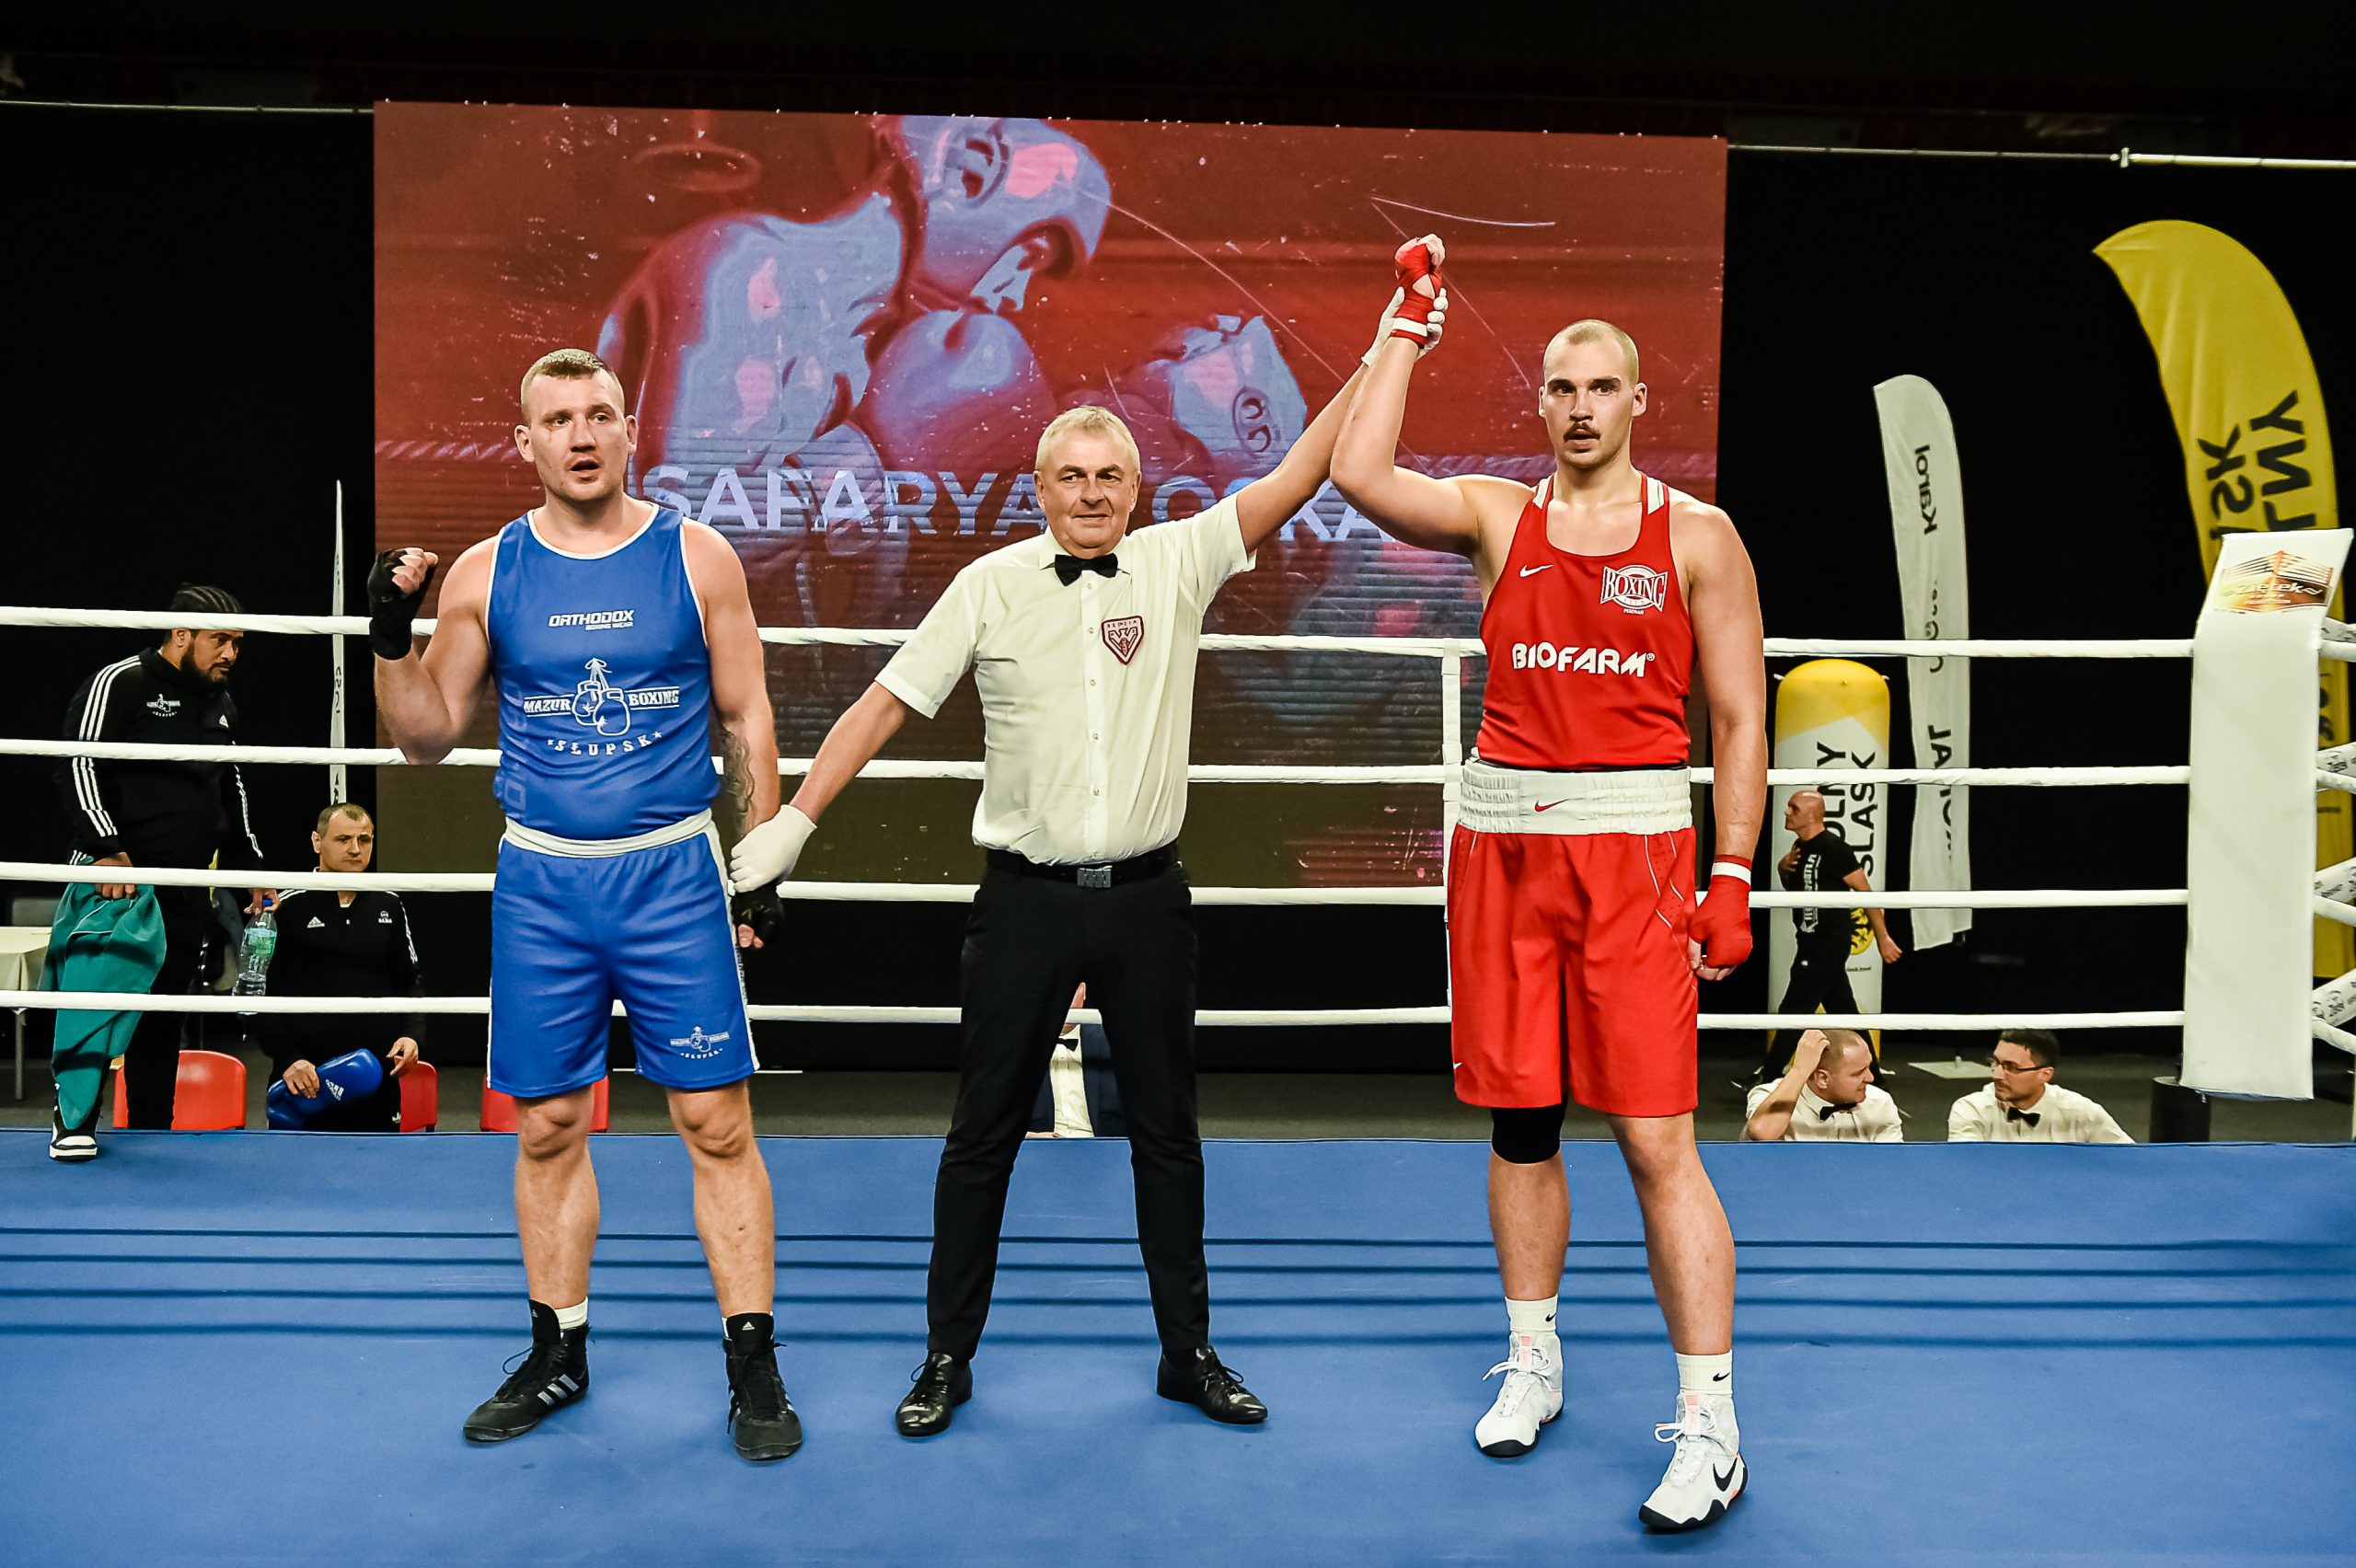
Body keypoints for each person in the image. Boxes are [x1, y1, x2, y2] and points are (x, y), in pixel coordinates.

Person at [776, 327, 1396, 1439]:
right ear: (1039, 488)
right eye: (1072, 475)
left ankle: (1187, 1354)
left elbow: (1299, 472)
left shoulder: (1177, 560)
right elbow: (883, 704)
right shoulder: (988, 586)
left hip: (1149, 902)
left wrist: (1384, 348)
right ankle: (946, 1358)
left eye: (1110, 475)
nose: (1093, 493)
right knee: (981, 1137)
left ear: (1136, 487)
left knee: (1168, 1136)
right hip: (1024, 902)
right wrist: (793, 821)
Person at [1331, 237, 1764, 1533]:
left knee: (1655, 1140)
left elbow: (1739, 718)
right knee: (1520, 1123)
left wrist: (1733, 872)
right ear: (1542, 403)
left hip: (1636, 857)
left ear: (1638, 401)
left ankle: (1713, 1425)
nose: (1580, 408)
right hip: (1503, 848)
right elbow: (1358, 473)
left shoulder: (1699, 536)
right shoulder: (1495, 516)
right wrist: (1407, 326)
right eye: (1561, 388)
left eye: (1601, 388)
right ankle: (1534, 1359)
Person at [370, 347, 809, 1462]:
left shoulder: (697, 557)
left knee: (717, 1123)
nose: (580, 435)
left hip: (671, 875)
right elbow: (423, 739)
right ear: (525, 442)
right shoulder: (486, 572)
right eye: (558, 419)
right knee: (549, 1123)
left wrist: (763, 862)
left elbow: (748, 714)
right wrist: (387, 640)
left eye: (598, 414)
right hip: (544, 883)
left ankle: (753, 1364)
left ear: (629, 429)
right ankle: (556, 1351)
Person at [53, 583, 273, 1139]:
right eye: (220, 640)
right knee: (96, 1008)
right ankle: (73, 1125)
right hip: (117, 884)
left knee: (161, 1018)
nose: (231, 654)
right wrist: (107, 850)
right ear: (180, 635)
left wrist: (249, 867)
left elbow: (231, 787)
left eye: (238, 643)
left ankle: (152, 1135)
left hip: (185, 884)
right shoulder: (122, 681)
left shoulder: (220, 702)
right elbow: (79, 763)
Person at [255, 804, 423, 1133]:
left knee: (377, 1164)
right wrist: (288, 1058)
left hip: (376, 1077)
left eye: (365, 839)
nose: (355, 849)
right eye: (344, 839)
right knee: (296, 1165)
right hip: (305, 1079)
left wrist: (411, 1035)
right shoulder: (285, 906)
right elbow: (256, 990)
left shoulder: (388, 903)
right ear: (317, 842)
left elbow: (410, 980)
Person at [1758, 787, 1901, 1079]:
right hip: (1809, 940)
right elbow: (1796, 891)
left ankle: (1769, 1076)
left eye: (1794, 808)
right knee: (1844, 1011)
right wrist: (1783, 869)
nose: (1787, 812)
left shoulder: (1834, 848)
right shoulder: (1800, 848)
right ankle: (1874, 1078)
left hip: (1827, 943)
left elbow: (1866, 893)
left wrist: (1883, 937)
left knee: (1794, 1010)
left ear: (1812, 815)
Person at [1947, 1029, 2133, 1143]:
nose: (1996, 1075)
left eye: (2011, 1067)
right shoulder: (1971, 1110)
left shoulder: (2081, 1113)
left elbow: (2130, 1159)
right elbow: (1966, 1171)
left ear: (2045, 1075)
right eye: (1995, 1062)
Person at [1742, 1029, 1901, 1142]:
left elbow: (1892, 1165)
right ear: (1823, 1079)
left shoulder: (1880, 1102)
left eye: (1869, 1067)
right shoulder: (1767, 1095)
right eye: (1857, 1073)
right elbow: (1763, 1134)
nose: (1871, 1078)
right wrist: (1799, 1070)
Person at [1027, 984, 1125, 1139]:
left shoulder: (1114, 1042)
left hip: (1102, 1147)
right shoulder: (1018, 1045)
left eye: (1071, 989)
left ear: (1083, 991)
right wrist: (1030, 1136)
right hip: (1038, 1148)